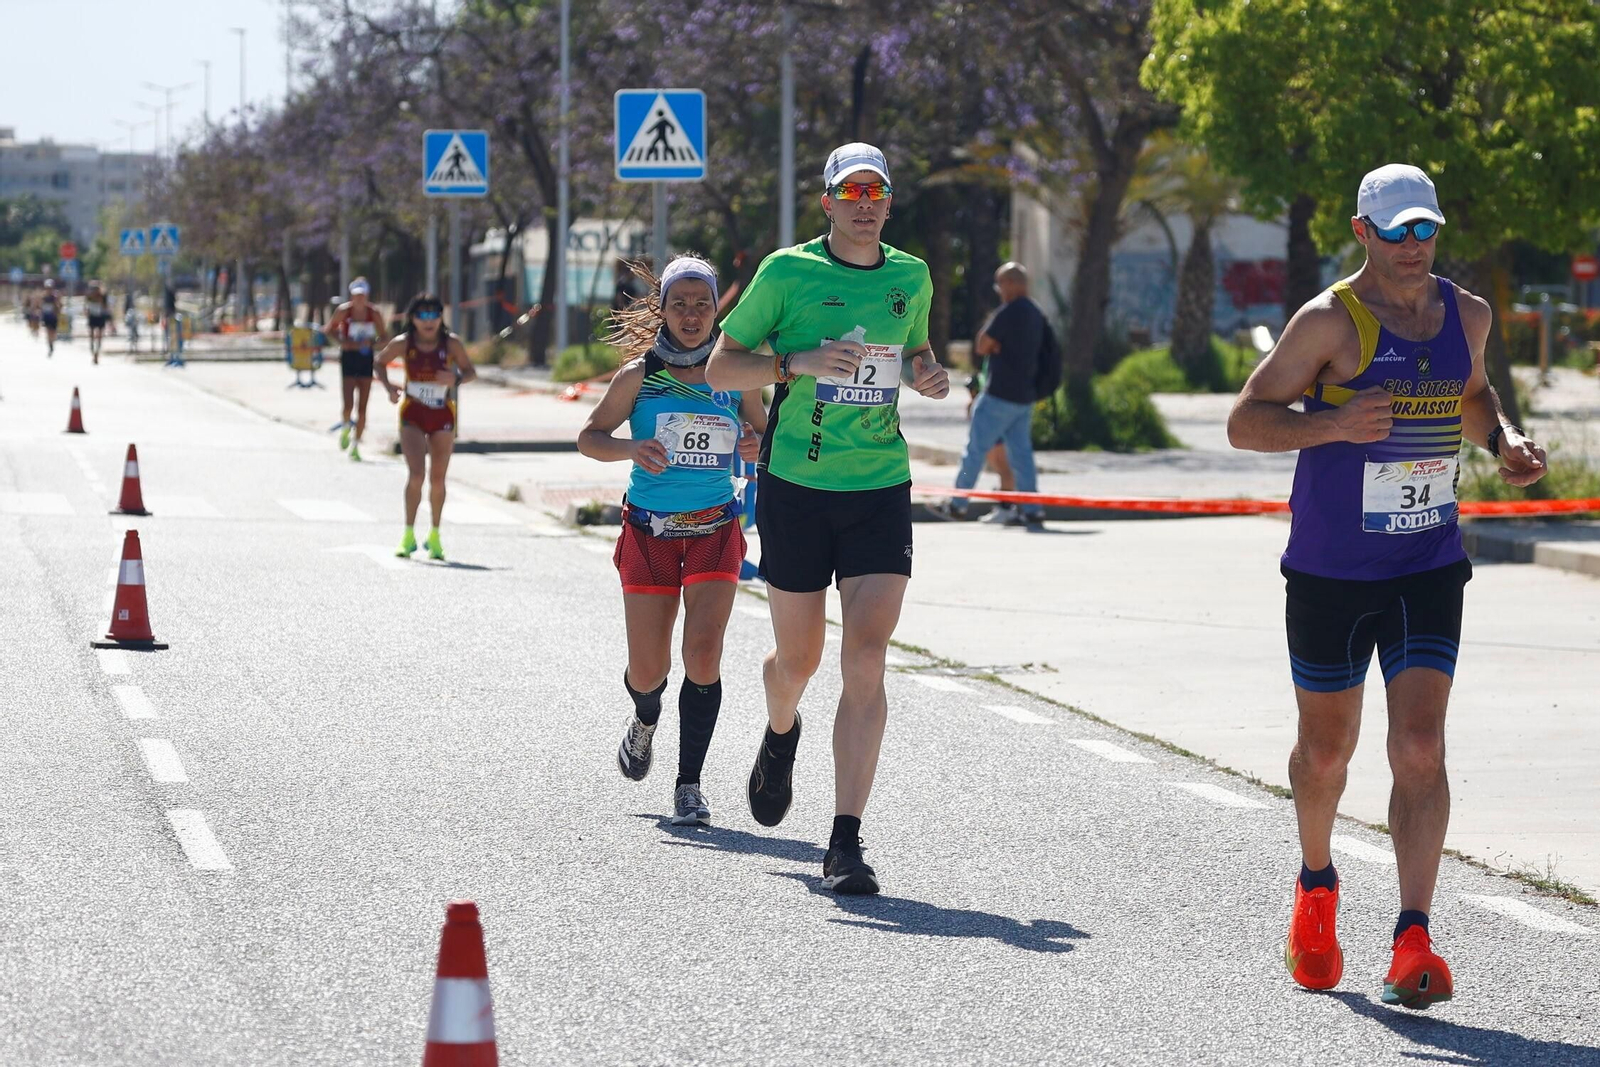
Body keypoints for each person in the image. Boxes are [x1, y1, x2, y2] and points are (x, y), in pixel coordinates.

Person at [1227, 163, 1548, 1010]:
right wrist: (1332, 422)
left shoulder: (1465, 314)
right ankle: (1317, 885)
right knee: (1326, 752)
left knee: (1419, 746)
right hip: (1331, 571)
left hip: (1428, 562)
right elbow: (1245, 419)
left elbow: (1472, 394)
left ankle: (1414, 936)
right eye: (1397, 230)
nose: (1415, 245)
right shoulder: (1330, 321)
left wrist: (1504, 440)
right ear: (1364, 232)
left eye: (1426, 229)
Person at [706, 142, 950, 894]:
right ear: (829, 203)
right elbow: (721, 365)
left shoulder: (912, 275)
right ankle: (781, 730)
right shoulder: (788, 272)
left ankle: (845, 840)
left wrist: (927, 372)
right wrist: (797, 363)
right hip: (796, 485)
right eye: (852, 191)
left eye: (877, 190)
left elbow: (916, 350)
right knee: (800, 660)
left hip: (879, 485)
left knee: (867, 656)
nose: (866, 202)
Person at [577, 255, 767, 825]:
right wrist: (631, 449)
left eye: (702, 303)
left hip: (714, 529)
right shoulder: (639, 375)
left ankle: (689, 784)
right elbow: (589, 437)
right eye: (679, 303)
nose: (691, 314)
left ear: (717, 309)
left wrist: (756, 444)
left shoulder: (734, 375)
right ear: (662, 309)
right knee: (649, 669)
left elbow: (760, 432)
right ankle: (645, 716)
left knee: (703, 654)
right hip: (650, 532)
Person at [928, 262, 1058, 525]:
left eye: (1001, 284)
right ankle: (1032, 509)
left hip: (999, 394)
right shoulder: (1036, 313)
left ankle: (957, 504)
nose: (999, 290)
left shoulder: (1009, 312)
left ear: (1011, 284)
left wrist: (997, 344)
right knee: (1022, 455)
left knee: (975, 449)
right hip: (1024, 397)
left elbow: (982, 344)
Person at [376, 293, 477, 561]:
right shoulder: (404, 343)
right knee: (417, 475)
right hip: (413, 413)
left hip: (442, 413)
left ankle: (435, 535)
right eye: (422, 315)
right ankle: (408, 534)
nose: (429, 321)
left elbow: (470, 372)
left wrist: (454, 378)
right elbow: (379, 362)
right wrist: (388, 388)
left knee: (438, 479)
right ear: (412, 319)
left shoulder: (451, 343)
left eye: (434, 315)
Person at [326, 278, 389, 462]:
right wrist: (342, 342)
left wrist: (372, 344)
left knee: (362, 407)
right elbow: (329, 329)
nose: (359, 299)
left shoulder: (374, 313)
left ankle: (356, 444)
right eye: (356, 295)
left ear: (366, 295)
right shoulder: (343, 311)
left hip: (365, 358)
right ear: (352, 296)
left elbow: (385, 337)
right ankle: (346, 426)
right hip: (348, 358)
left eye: (362, 295)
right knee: (348, 404)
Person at [84, 281, 111, 364]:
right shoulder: (89, 296)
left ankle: (97, 354)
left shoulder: (103, 296)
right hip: (92, 317)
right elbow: (86, 306)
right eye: (93, 289)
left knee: (99, 335)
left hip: (100, 317)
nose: (95, 291)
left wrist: (100, 300)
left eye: (96, 289)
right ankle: (92, 347)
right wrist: (86, 312)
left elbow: (106, 307)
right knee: (92, 334)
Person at [39, 279, 61, 356]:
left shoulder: (55, 296)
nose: (49, 289)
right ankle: (50, 345)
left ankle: (52, 341)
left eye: (50, 288)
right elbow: (40, 306)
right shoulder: (43, 296)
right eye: (47, 288)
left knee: (53, 332)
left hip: (53, 316)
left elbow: (59, 305)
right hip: (46, 316)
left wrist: (57, 309)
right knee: (48, 331)